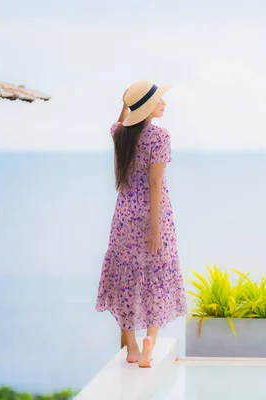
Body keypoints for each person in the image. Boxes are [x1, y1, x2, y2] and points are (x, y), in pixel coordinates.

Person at [95, 80, 188, 368]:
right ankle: (150, 346)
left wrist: (125, 103)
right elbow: (155, 181)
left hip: (124, 217)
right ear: (147, 107)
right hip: (153, 215)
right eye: (159, 100)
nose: (164, 104)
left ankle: (132, 347)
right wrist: (156, 228)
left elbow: (119, 122)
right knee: (156, 275)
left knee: (125, 277)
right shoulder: (159, 136)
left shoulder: (120, 135)